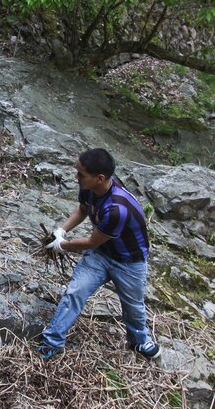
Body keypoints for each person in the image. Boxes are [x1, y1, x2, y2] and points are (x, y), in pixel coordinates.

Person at [36, 148, 160, 361]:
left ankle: (139, 341)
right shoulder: (89, 187)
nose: (76, 177)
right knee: (75, 291)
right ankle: (52, 341)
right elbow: (83, 210)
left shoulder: (116, 209)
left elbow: (92, 242)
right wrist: (61, 230)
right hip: (101, 254)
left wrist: (62, 245)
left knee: (133, 305)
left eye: (81, 174)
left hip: (129, 262)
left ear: (100, 178)